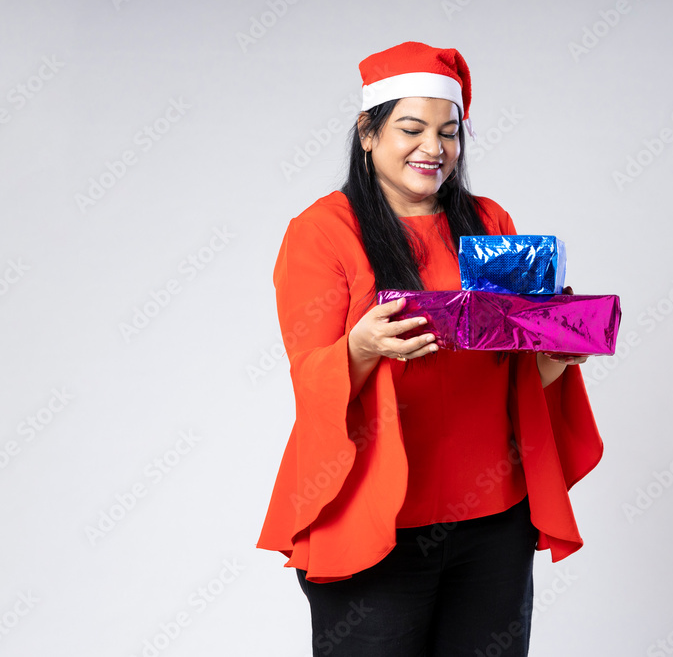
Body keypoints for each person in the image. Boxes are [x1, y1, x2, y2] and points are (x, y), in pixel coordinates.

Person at [257, 41, 604, 656]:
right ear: (368, 133)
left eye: (449, 132)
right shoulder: (323, 232)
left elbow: (512, 375)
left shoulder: (489, 222)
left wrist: (556, 350)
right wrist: (361, 347)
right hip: (377, 518)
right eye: (412, 129)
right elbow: (310, 380)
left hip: (493, 518)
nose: (434, 148)